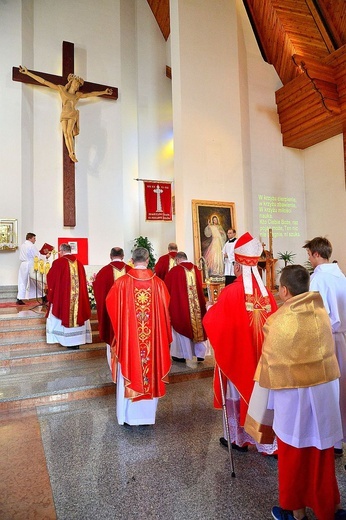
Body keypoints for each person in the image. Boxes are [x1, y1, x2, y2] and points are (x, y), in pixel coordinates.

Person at [251, 265, 346, 520]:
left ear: (283, 290)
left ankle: (296, 512)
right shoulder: (320, 312)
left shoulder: (278, 320)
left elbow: (269, 365)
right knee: (321, 452)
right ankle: (330, 508)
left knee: (293, 453)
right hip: (324, 391)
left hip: (293, 397)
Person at [203, 232, 278, 454]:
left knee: (238, 393)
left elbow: (216, 323)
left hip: (239, 359)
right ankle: (267, 443)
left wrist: (210, 310)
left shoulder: (230, 292)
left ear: (237, 267)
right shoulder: (268, 295)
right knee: (264, 397)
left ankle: (239, 439)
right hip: (263, 361)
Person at [106, 247, 172, 426]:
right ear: (148, 259)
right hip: (152, 345)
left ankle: (126, 417)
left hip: (130, 344)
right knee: (151, 369)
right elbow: (166, 312)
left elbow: (111, 307)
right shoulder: (158, 284)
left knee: (130, 366)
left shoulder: (121, 283)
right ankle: (146, 417)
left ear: (131, 260)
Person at [303, 236, 346, 456]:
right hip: (343, 338)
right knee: (342, 390)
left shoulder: (318, 279)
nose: (309, 259)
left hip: (327, 339)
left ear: (317, 254)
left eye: (309, 255)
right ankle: (339, 440)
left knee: (328, 390)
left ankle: (331, 441)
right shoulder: (340, 274)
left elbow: (314, 314)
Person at [19, 65, 113, 163]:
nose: (76, 86)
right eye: (75, 83)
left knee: (69, 132)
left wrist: (104, 92)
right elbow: (45, 82)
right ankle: (70, 152)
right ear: (71, 82)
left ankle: (72, 152)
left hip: (72, 114)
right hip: (64, 114)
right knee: (65, 134)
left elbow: (90, 94)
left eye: (78, 85)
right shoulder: (62, 90)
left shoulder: (77, 95)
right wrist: (27, 73)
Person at [164, 251, 208, 363]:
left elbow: (166, 289)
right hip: (197, 307)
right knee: (198, 327)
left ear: (177, 260)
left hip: (181, 306)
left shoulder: (174, 271)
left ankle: (181, 354)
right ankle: (200, 353)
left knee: (181, 326)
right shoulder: (196, 270)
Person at [46, 243, 92, 349]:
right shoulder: (79, 264)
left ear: (61, 251)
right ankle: (77, 341)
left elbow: (51, 279)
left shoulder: (58, 263)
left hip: (64, 300)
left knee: (63, 313)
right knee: (78, 314)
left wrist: (51, 294)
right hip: (78, 301)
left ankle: (67, 341)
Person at [93, 247, 131, 367]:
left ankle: (114, 369)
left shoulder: (103, 272)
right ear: (123, 256)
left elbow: (98, 295)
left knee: (112, 340)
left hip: (110, 318)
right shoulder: (131, 271)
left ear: (110, 256)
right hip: (129, 319)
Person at [17, 232, 51, 305]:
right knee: (36, 281)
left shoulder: (22, 245)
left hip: (23, 265)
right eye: (34, 238)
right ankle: (44, 297)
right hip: (30, 265)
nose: (35, 240)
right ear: (30, 238)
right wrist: (46, 256)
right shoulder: (31, 246)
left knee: (22, 281)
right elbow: (37, 256)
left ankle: (19, 298)